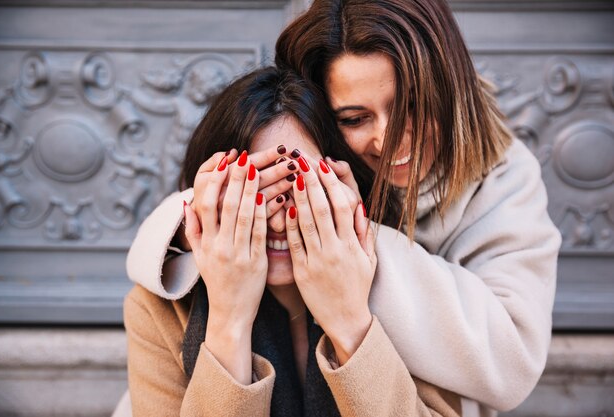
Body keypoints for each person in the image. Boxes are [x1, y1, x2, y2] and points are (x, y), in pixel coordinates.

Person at [125, 0, 561, 415]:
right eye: (354, 118)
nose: (393, 142)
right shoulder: (161, 310)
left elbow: (512, 362)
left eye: (298, 185)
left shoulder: (502, 181)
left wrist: (344, 252)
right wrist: (205, 244)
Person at [124, 67, 461, 416]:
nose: (279, 218)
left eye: (301, 185)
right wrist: (229, 320)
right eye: (255, 191)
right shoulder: (157, 311)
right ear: (211, 198)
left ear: (345, 187)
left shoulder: (403, 291)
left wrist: (350, 325)